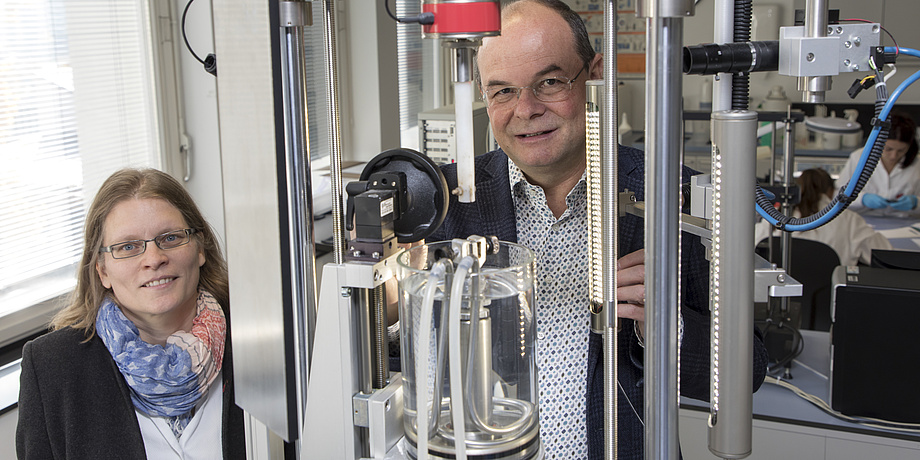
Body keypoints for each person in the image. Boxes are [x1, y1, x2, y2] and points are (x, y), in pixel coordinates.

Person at [425, 1, 768, 458]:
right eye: (502, 91)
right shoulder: (447, 200)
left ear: (596, 74)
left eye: (548, 82)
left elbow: (750, 369)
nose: (525, 110)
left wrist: (667, 327)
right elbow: (408, 360)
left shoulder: (673, 194)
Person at [17, 168, 246, 459]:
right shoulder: (53, 367)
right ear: (102, 271)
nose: (154, 259)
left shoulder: (258, 335)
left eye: (171, 238)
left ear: (199, 248)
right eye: (128, 246)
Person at [756, 168, 892, 266]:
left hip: (779, 297)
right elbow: (884, 255)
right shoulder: (849, 219)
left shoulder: (774, 216)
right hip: (829, 299)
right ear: (831, 191)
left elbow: (754, 247)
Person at [836, 111, 920, 217]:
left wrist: (916, 203)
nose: (894, 156)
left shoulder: (917, 164)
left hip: (904, 224)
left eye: (901, 150)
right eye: (889, 149)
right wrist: (862, 199)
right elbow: (837, 196)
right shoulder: (859, 158)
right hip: (864, 222)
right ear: (878, 142)